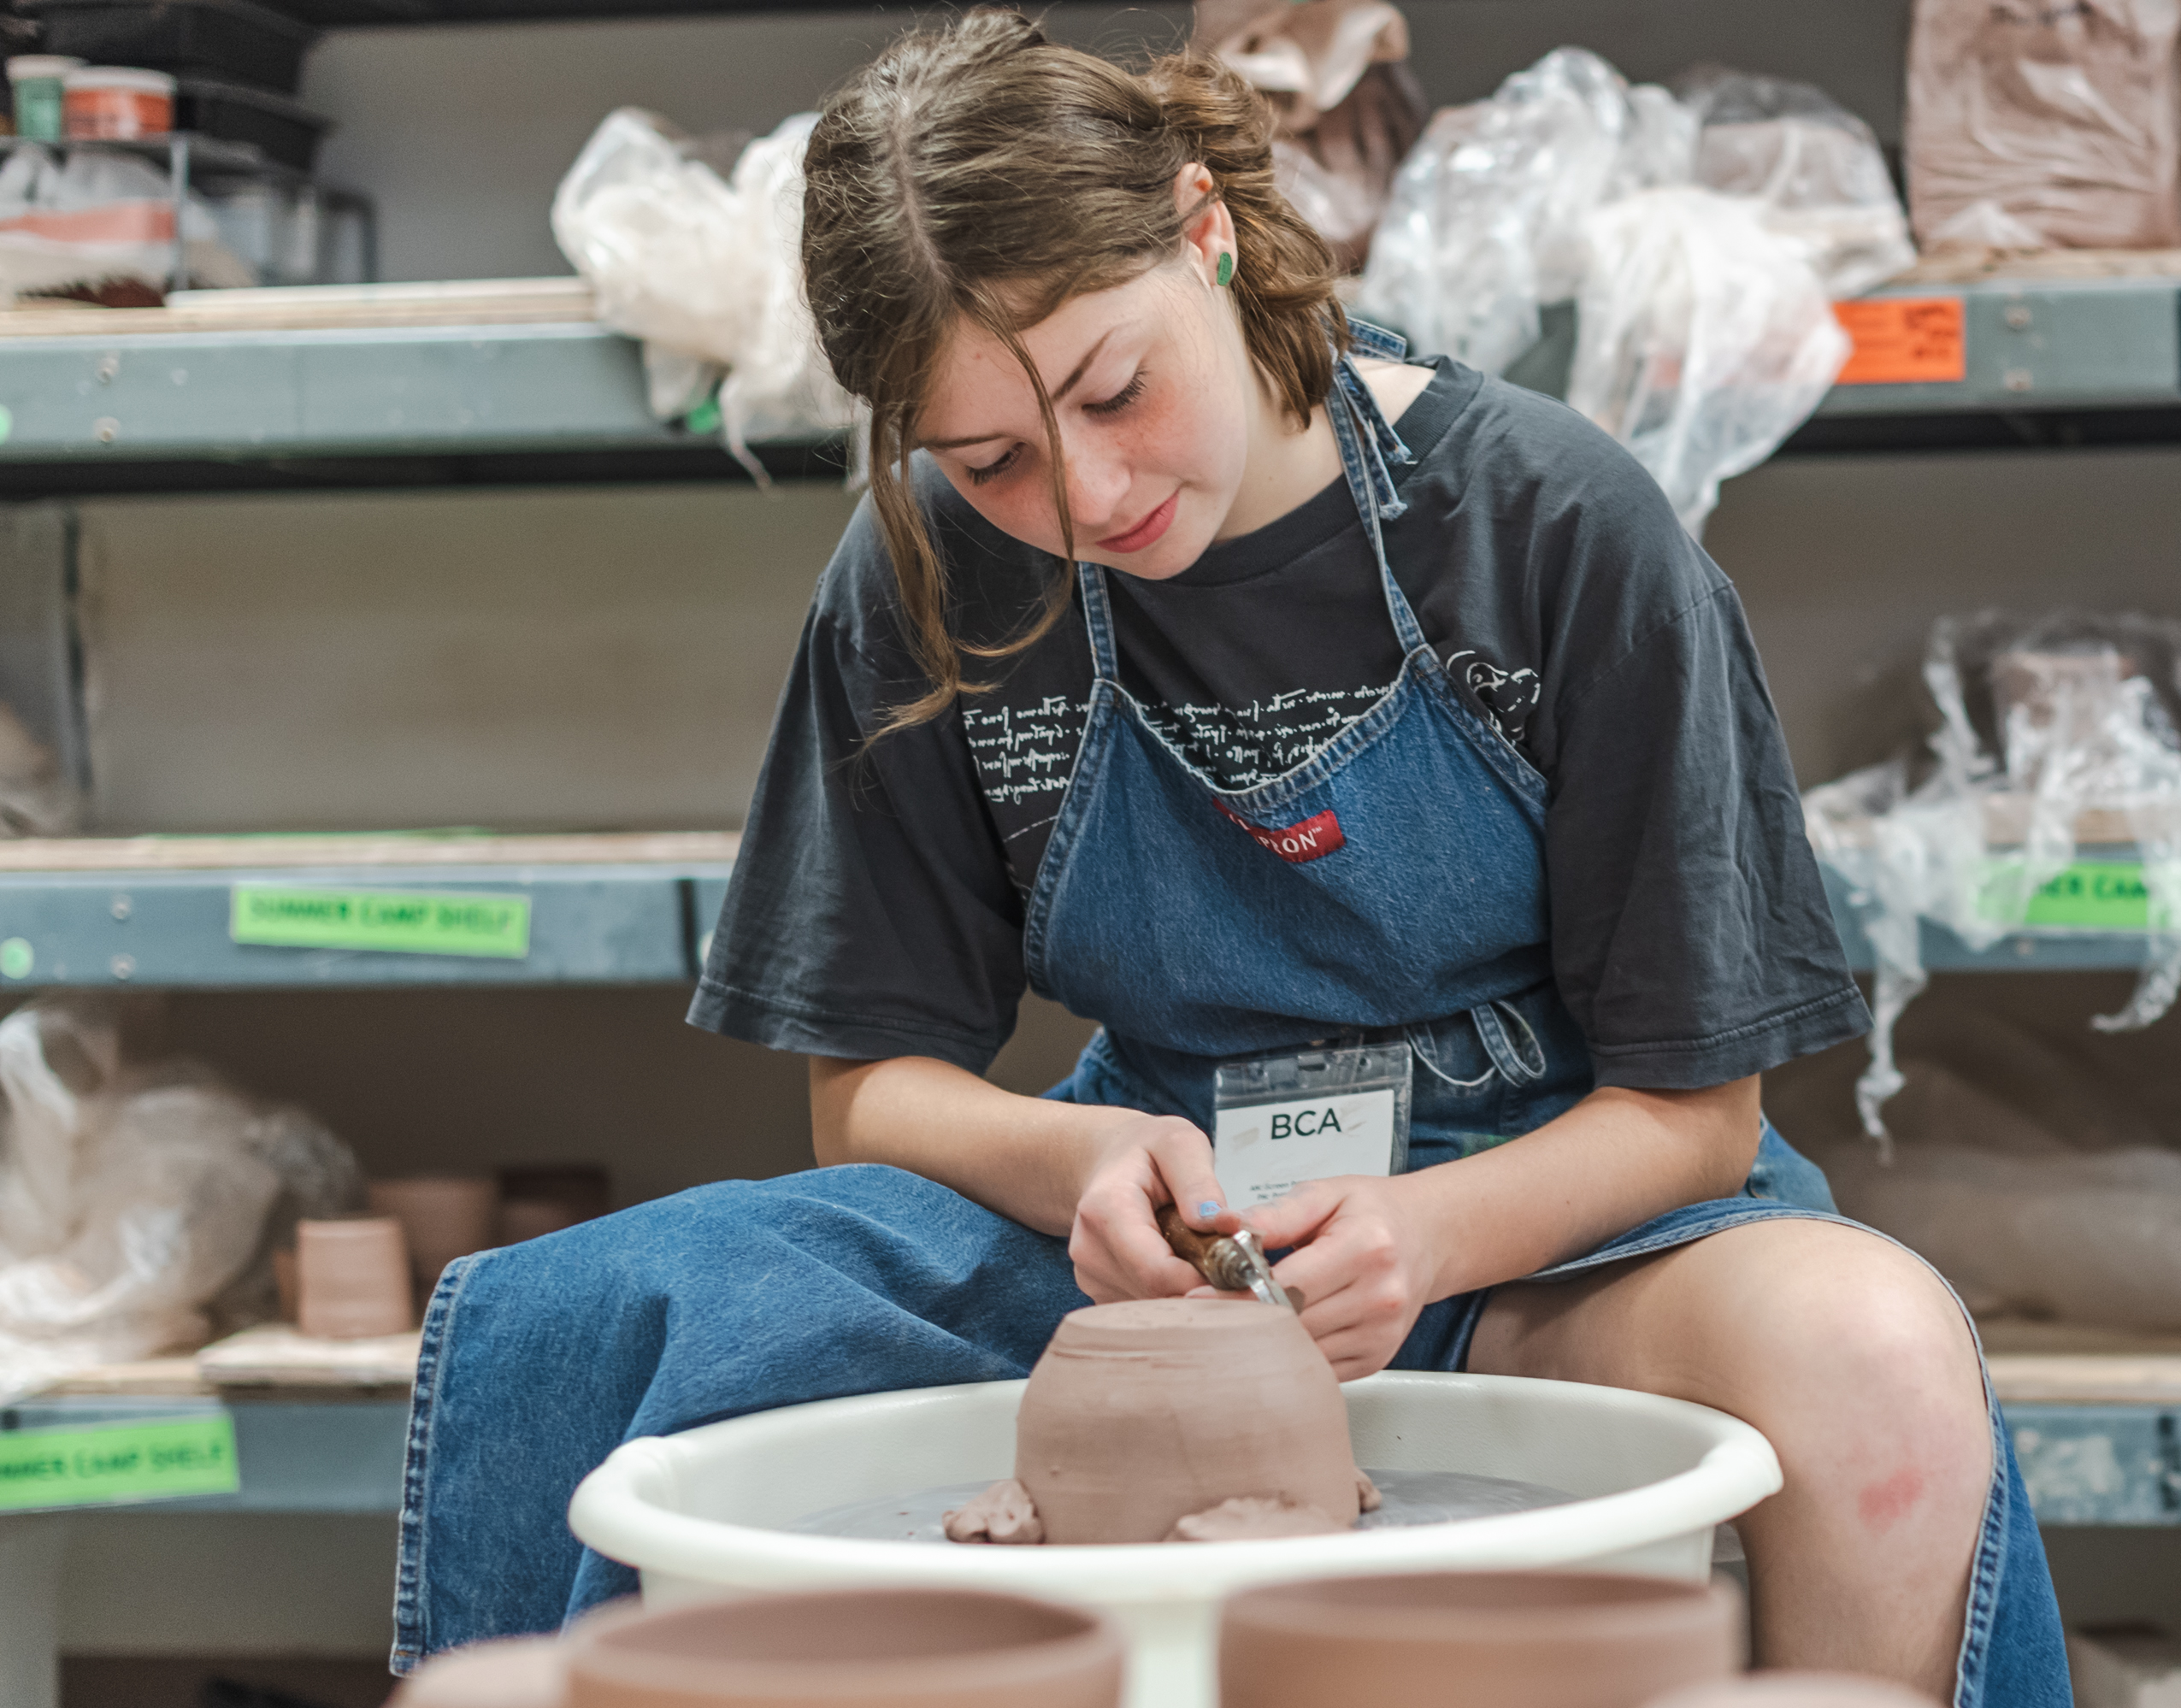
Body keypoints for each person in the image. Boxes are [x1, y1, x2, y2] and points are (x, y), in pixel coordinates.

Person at [392, 14, 2070, 1705]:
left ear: (1204, 228)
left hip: (1559, 1232)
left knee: (1875, 1353)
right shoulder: (927, 577)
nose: (1090, 490)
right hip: (1160, 1244)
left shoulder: (1551, 529)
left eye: (1117, 389)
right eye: (992, 459)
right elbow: (872, 1096)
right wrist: (1081, 1164)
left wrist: (1423, 1235)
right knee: (618, 1304)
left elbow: (1700, 1118)